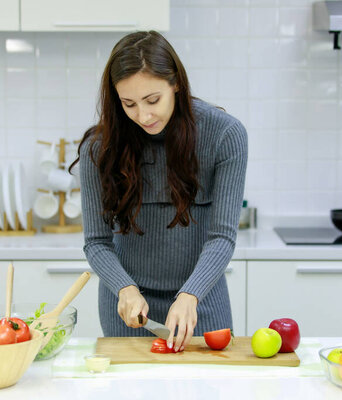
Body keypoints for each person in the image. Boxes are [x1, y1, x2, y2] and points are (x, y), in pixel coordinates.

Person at [71, 31, 247, 352]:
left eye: (153, 100)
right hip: (129, 312)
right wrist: (124, 289)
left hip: (201, 306)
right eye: (129, 104)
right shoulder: (100, 148)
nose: (143, 115)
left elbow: (222, 237)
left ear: (176, 83)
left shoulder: (224, 135)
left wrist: (190, 294)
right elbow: (96, 242)